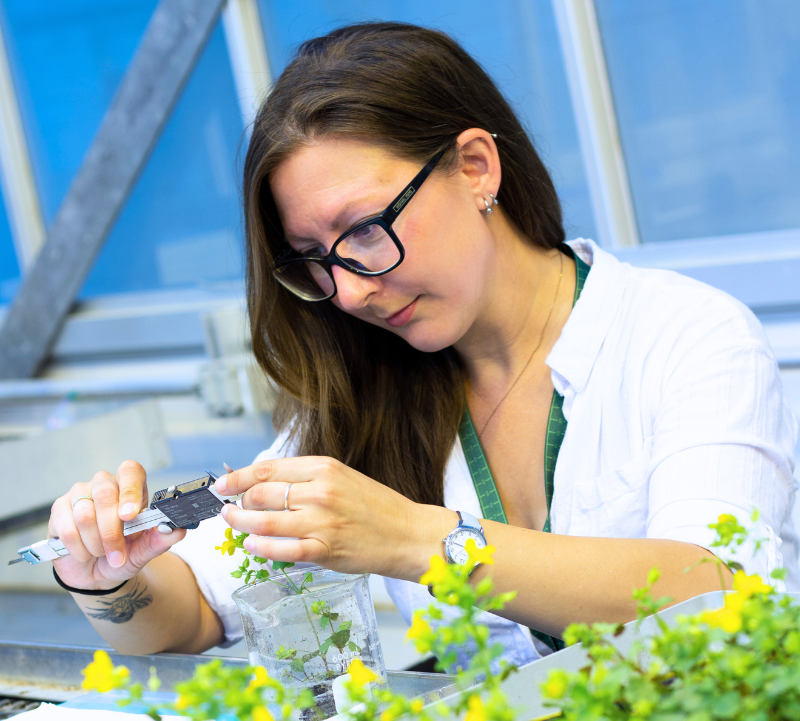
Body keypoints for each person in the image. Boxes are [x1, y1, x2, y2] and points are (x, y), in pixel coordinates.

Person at [47, 23, 798, 664]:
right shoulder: (366, 389)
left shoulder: (686, 336)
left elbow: (719, 590)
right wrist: (106, 574)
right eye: (313, 259)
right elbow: (189, 618)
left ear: (475, 168)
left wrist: (415, 538)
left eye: (365, 231)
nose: (348, 292)